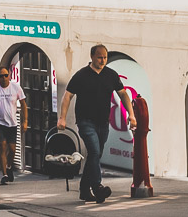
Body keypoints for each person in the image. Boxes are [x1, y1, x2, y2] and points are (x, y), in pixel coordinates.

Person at [57, 45, 136, 203]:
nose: (103, 60)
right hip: (86, 121)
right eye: (100, 57)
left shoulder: (111, 75)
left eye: (105, 57)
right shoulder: (82, 75)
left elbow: (123, 95)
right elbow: (67, 96)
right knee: (94, 151)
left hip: (103, 122)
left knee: (96, 155)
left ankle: (84, 190)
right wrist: (62, 118)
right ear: (92, 56)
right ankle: (97, 186)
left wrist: (131, 115)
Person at [0, 65, 27, 184]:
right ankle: (4, 175)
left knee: (12, 149)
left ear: (9, 75)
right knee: (2, 145)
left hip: (12, 122)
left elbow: (23, 104)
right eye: (1, 76)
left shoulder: (16, 88)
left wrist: (25, 121)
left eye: (6, 75)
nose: (4, 78)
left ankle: (9, 166)